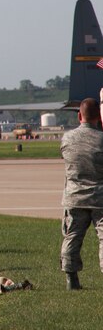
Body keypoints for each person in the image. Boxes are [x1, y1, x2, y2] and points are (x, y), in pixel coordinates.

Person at [59, 96, 103, 290]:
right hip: (100, 198)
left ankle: (71, 279)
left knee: (72, 237)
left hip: (74, 197)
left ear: (79, 116)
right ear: (99, 117)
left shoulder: (67, 138)